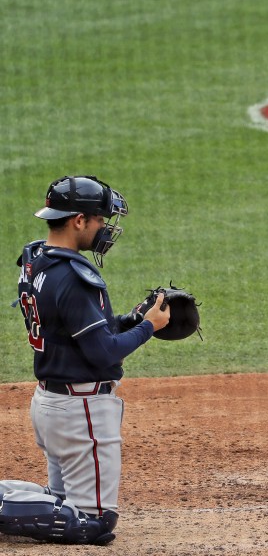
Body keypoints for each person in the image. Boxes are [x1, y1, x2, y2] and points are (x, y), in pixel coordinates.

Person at [0, 175, 170, 545]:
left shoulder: (36, 260)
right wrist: (149, 328)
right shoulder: (73, 276)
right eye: (100, 220)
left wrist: (132, 320)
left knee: (61, 500)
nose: (105, 229)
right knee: (93, 523)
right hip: (81, 411)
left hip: (52, 403)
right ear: (79, 220)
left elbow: (74, 329)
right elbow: (103, 352)